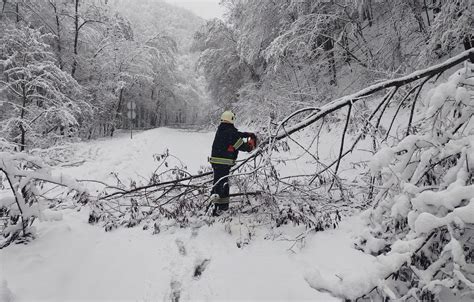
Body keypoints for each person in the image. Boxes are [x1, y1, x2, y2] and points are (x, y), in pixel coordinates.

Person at [208, 110, 256, 216]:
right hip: (223, 163)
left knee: (217, 183)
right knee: (223, 185)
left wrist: (246, 134)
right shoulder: (230, 132)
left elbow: (235, 135)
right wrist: (251, 145)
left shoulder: (222, 129)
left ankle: (213, 205)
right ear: (232, 119)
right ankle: (221, 209)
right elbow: (244, 147)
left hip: (217, 162)